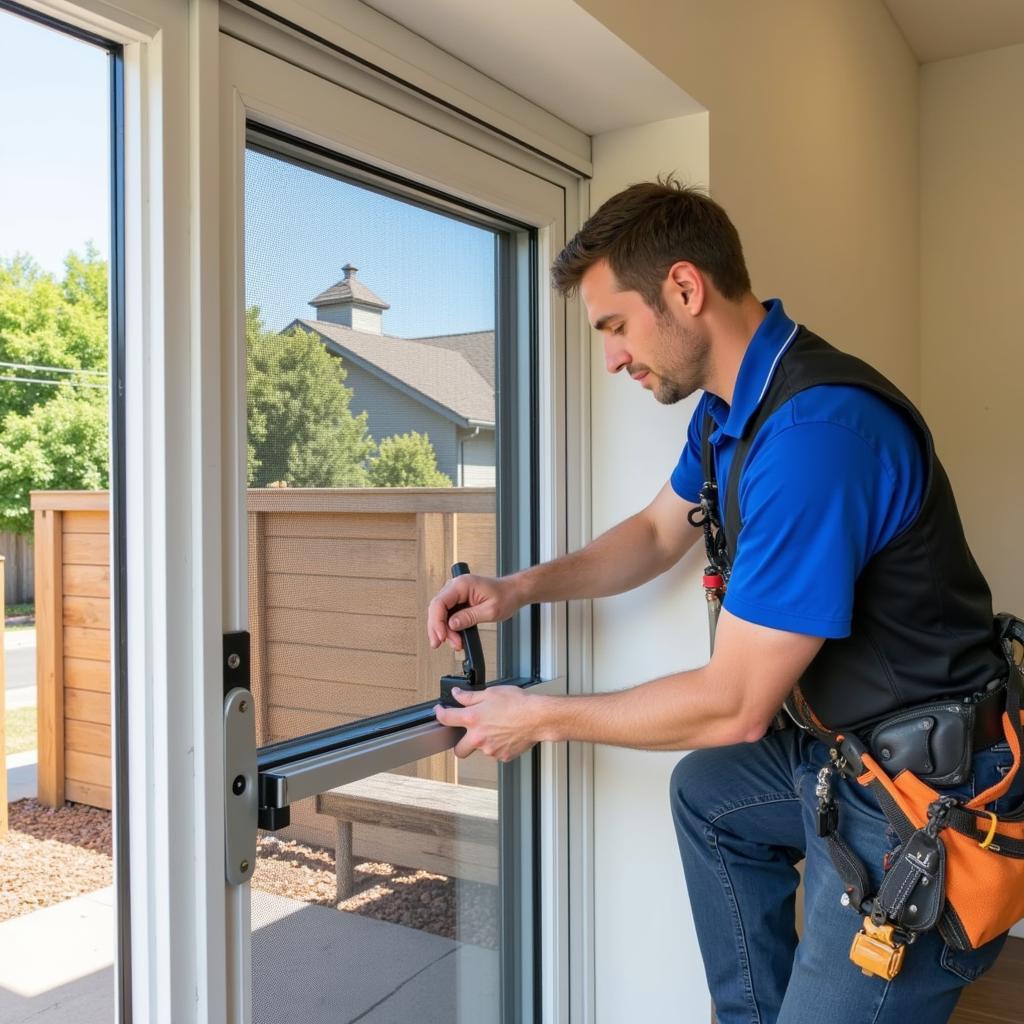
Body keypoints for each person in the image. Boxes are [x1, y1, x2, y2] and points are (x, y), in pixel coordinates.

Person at [427, 178, 1018, 1024]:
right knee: (712, 794)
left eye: (615, 326)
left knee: (721, 750)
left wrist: (538, 715)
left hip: (926, 793)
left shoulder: (817, 436)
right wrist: (514, 589)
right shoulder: (726, 415)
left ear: (683, 289)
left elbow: (736, 705)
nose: (611, 358)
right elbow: (656, 535)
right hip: (847, 755)